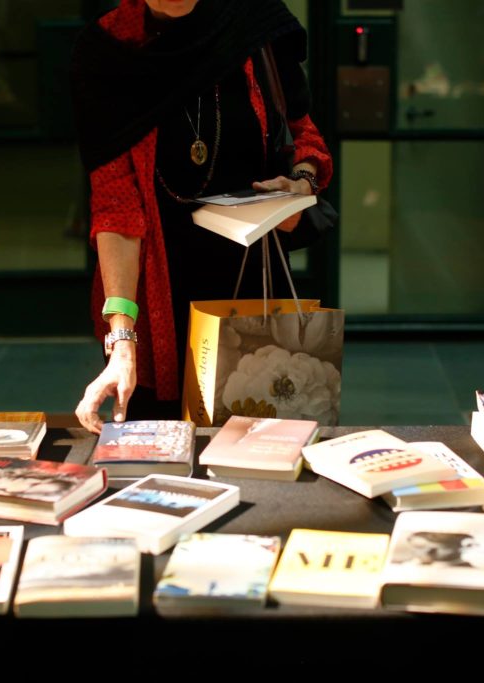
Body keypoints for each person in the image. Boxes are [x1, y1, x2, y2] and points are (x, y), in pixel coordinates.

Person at [71, 0, 333, 433]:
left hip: (249, 280)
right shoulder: (108, 52)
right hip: (156, 294)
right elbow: (116, 208)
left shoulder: (255, 22)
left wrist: (302, 182)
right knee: (157, 456)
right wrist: (121, 339)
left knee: (259, 446)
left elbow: (304, 135)